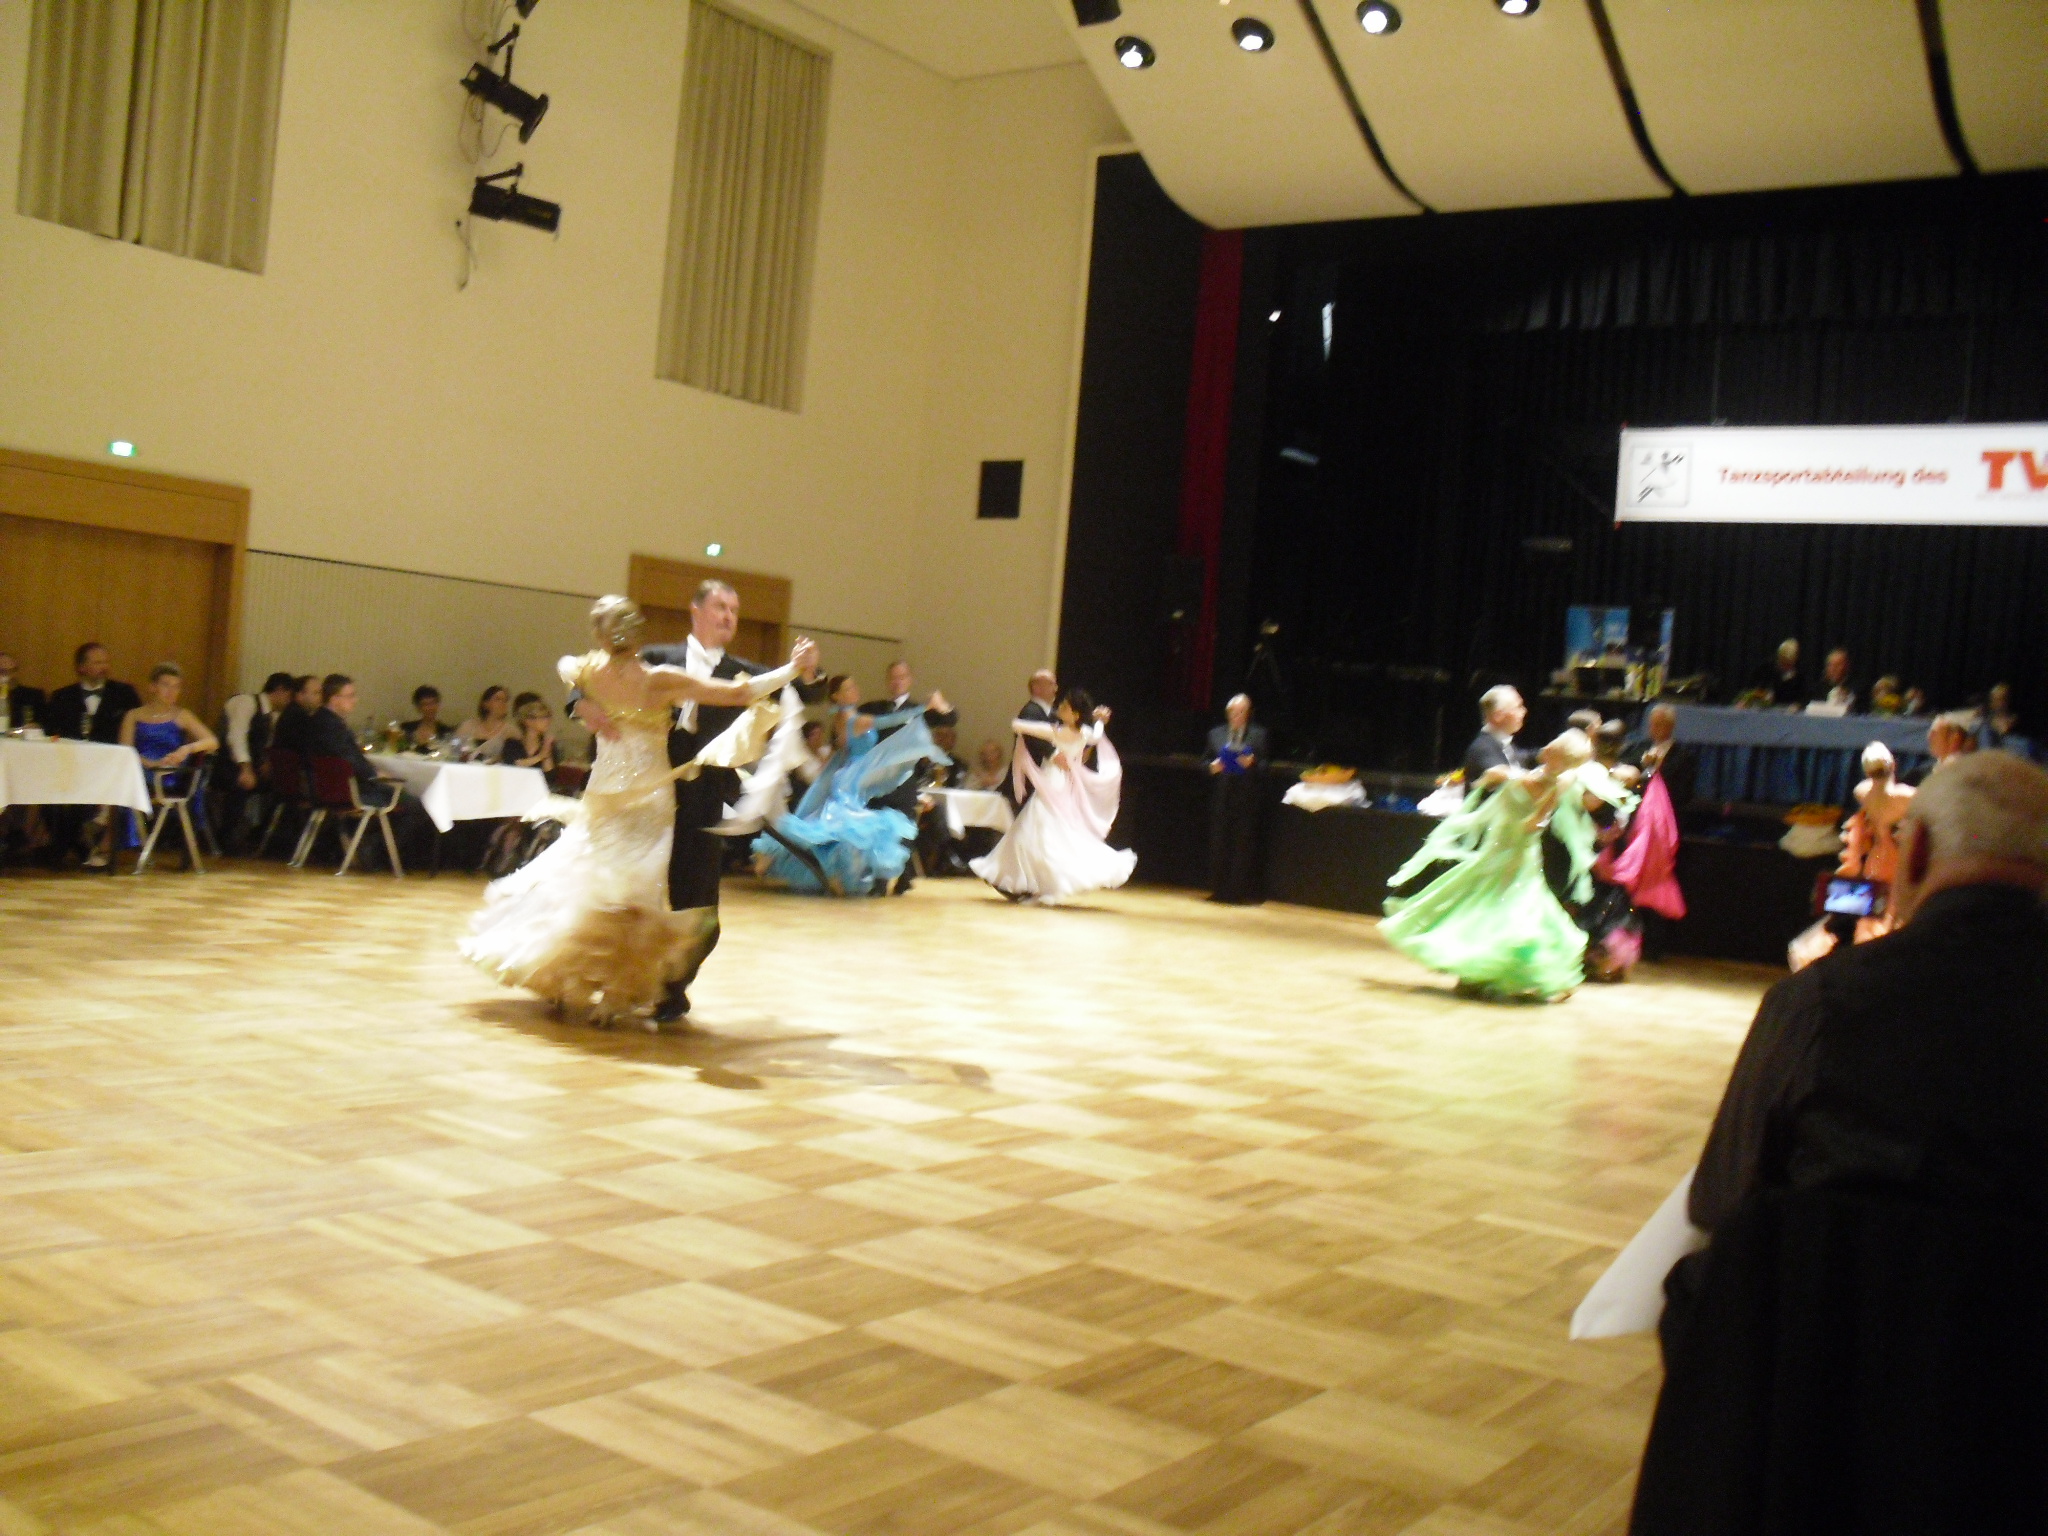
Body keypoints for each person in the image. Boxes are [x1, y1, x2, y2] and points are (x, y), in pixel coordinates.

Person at [468, 596, 816, 1025]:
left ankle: (573, 975)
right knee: (634, 894)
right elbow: (739, 693)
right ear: (638, 635)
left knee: (587, 879)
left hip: (609, 793)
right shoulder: (658, 676)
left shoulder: (590, 670)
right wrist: (791, 667)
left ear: (600, 637)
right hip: (649, 798)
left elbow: (566, 668)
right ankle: (618, 992)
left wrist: (588, 700)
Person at [571, 579, 820, 1023]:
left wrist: (807, 671)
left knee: (700, 910)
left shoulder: (743, 669)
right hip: (645, 793)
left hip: (703, 799)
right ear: (696, 610)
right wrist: (580, 705)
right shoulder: (655, 657)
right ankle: (610, 980)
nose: (729, 616)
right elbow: (591, 677)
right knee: (626, 895)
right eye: (721, 606)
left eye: (735, 610)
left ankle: (670, 989)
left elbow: (796, 692)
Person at [1383, 729, 1633, 1002]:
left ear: (1559, 756)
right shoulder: (1549, 779)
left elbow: (1535, 816)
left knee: (1496, 907)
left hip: (1511, 854)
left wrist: (1517, 796)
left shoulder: (1542, 781)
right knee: (1502, 907)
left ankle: (1481, 973)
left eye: (1553, 746)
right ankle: (1481, 974)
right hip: (1508, 851)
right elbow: (1536, 815)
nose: (1547, 747)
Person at [752, 674, 935, 897]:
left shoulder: (841, 717)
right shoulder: (855, 719)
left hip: (849, 775)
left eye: (854, 686)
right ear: (837, 696)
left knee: (835, 827)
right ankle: (833, 876)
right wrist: (925, 708)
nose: (855, 690)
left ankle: (831, 876)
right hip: (850, 780)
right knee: (845, 827)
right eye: (848, 688)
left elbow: (842, 751)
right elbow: (892, 720)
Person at [971, 689, 1135, 904]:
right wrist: (1098, 720)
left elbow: (1023, 727)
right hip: (1061, 785)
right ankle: (1037, 885)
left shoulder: (1061, 732)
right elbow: (1096, 734)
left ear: (1075, 715)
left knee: (1037, 832)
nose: (1060, 708)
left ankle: (1040, 885)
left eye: (1065, 707)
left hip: (1052, 785)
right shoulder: (1085, 733)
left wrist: (1018, 724)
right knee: (1039, 832)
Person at [117, 663, 221, 865]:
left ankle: (103, 828)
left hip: (168, 775)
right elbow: (126, 750)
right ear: (152, 687)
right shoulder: (134, 715)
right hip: (140, 768)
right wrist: (148, 763)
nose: (171, 691)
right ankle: (106, 829)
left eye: (176, 686)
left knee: (125, 784)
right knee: (125, 777)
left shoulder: (182, 715)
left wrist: (186, 749)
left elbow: (212, 741)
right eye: (166, 685)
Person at [210, 671, 295, 852]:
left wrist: (265, 762)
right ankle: (226, 838)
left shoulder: (270, 714)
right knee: (240, 785)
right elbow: (236, 737)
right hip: (225, 764)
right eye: (289, 696)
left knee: (283, 787)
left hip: (248, 766)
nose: (289, 701)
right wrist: (246, 768)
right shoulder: (246, 702)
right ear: (280, 690)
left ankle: (259, 836)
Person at [1206, 693, 1270, 905]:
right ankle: (1218, 891)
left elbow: (1265, 765)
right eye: (1234, 712)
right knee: (1219, 844)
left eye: (1242, 712)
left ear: (1248, 714)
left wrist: (1253, 764)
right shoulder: (1215, 734)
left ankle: (1237, 893)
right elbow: (1205, 760)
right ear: (1228, 713)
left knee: (1241, 846)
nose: (1238, 716)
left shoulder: (1258, 735)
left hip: (1246, 798)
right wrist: (1212, 767)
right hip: (1221, 798)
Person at [45, 643, 142, 744]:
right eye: (98, 663)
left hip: (112, 752)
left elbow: (138, 728)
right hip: (71, 752)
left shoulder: (124, 693)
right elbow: (51, 732)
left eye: (106, 662)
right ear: (81, 667)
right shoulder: (62, 696)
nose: (104, 667)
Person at [1460, 685, 1528, 789]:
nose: (1524, 711)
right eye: (1518, 707)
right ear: (1498, 716)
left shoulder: (1502, 743)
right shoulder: (1482, 747)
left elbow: (1526, 756)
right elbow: (1499, 774)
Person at [456, 686, 515, 762]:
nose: (503, 703)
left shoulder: (511, 731)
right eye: (498, 699)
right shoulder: (468, 726)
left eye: (505, 700)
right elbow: (455, 751)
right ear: (485, 703)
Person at [502, 694, 557, 772]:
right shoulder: (512, 743)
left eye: (548, 717)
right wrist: (540, 757)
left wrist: (546, 752)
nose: (547, 721)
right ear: (528, 721)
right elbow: (512, 766)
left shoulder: (547, 744)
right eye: (543, 717)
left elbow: (549, 775)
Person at [1746, 638, 1805, 707]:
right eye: (1784, 662)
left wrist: (1798, 705)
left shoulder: (1799, 674)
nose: (1786, 667)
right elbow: (1752, 690)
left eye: (1789, 664)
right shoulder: (1765, 669)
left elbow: (1804, 697)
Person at [0, 651, 46, 732]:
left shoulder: (33, 696)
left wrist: (36, 726)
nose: (8, 675)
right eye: (2, 671)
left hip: (22, 738)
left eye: (12, 670)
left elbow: (44, 723)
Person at [399, 686, 455, 751]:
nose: (430, 708)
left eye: (433, 703)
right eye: (425, 704)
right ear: (418, 707)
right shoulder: (406, 729)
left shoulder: (445, 732)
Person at [1813, 646, 1857, 711]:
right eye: (1831, 665)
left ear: (1846, 666)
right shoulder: (1817, 689)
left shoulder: (1854, 687)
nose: (1833, 669)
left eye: (1838, 665)